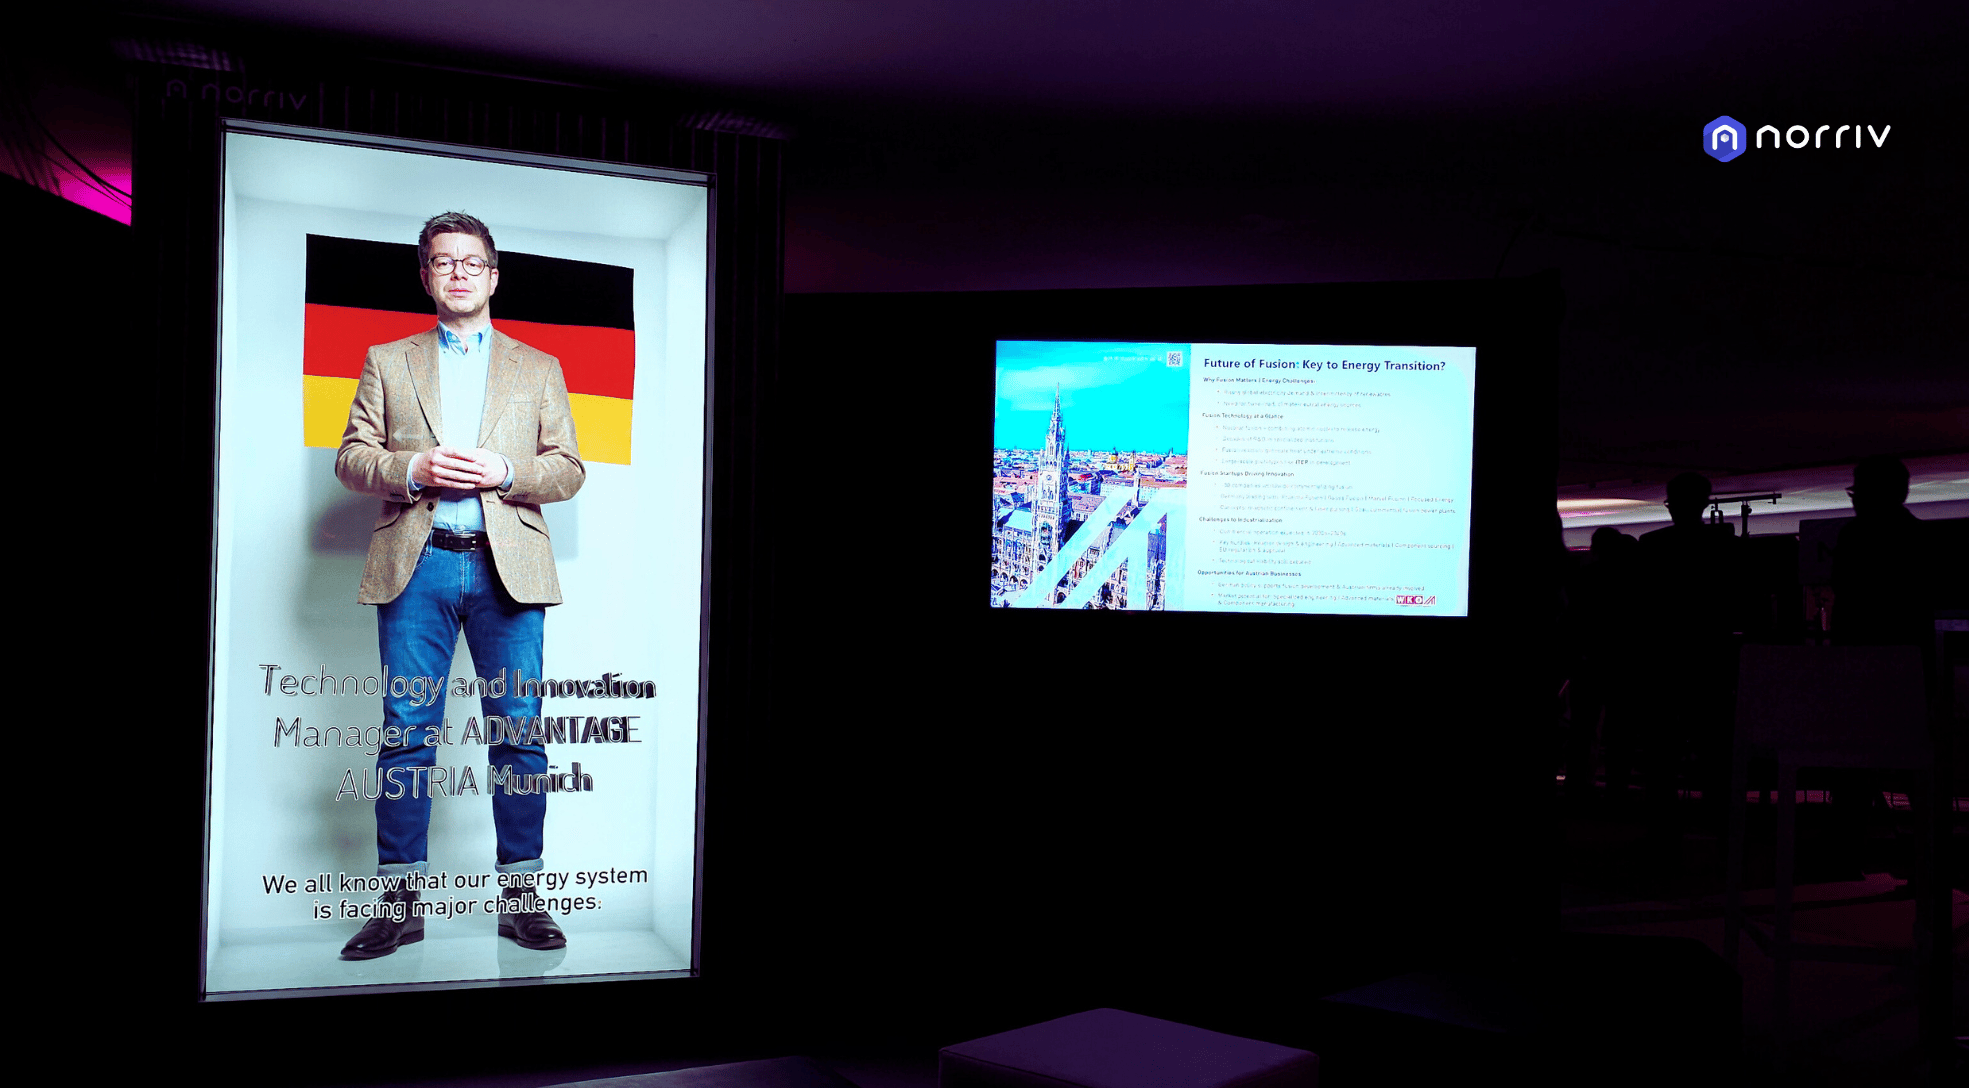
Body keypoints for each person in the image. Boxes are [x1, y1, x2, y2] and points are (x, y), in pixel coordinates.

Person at [334, 211, 585, 958]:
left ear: (493, 275)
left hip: (511, 570)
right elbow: (351, 457)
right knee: (406, 737)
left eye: (472, 263)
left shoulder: (539, 366)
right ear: (426, 277)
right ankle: (400, 907)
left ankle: (522, 902)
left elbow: (569, 469)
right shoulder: (388, 359)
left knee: (519, 736)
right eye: (443, 262)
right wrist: (411, 469)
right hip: (418, 566)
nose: (458, 273)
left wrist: (506, 472)